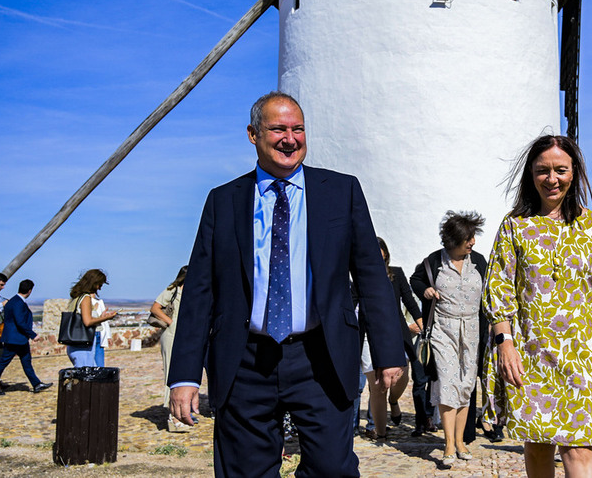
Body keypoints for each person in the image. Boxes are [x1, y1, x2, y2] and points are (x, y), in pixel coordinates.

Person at [168, 91, 405, 478]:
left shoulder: (341, 191)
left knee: (332, 469)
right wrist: (184, 375)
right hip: (244, 360)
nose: (290, 139)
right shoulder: (223, 201)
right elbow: (199, 291)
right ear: (253, 134)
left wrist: (388, 351)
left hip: (321, 356)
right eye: (278, 129)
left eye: (298, 129)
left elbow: (370, 275)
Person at [483, 134, 592, 478]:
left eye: (560, 170)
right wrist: (505, 343)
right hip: (528, 352)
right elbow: (499, 286)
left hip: (583, 353)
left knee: (579, 447)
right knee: (537, 444)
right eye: (542, 171)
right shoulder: (514, 224)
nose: (551, 178)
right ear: (530, 175)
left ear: (574, 173)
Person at [411, 211, 487, 468]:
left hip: (472, 331)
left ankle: (461, 441)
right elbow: (416, 279)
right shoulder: (434, 261)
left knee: (466, 385)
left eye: (473, 237)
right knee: (447, 382)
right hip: (443, 330)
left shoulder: (479, 261)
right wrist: (426, 290)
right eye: (468, 238)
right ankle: (448, 444)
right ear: (453, 240)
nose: (473, 242)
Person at [361, 237, 423, 441]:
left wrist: (421, 323)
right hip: (369, 336)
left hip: (395, 334)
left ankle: (394, 402)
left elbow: (409, 300)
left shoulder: (396, 274)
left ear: (385, 254)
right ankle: (380, 431)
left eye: (381, 253)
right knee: (377, 386)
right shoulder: (359, 276)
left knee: (401, 378)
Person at [0, 279, 52, 395]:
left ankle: (36, 384)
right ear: (30, 290)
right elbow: (20, 322)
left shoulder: (13, 301)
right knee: (3, 363)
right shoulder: (18, 303)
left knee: (26, 362)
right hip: (14, 339)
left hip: (19, 339)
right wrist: (32, 335)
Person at [151, 265, 189, 432]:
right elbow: (155, 308)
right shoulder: (172, 290)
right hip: (172, 335)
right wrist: (171, 322)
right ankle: (173, 416)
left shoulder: (193, 292)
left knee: (184, 374)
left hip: (186, 337)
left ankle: (180, 412)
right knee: (171, 373)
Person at [64, 269, 117, 367]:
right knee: (89, 374)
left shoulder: (77, 297)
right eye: (99, 285)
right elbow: (87, 322)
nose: (99, 288)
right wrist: (107, 318)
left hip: (76, 342)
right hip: (85, 341)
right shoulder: (86, 298)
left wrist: (100, 317)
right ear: (94, 283)